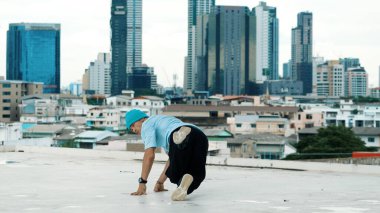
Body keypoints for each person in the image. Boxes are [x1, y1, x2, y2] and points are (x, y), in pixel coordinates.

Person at [125, 109, 209, 201]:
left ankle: (182, 142)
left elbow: (149, 155)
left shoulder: (146, 124)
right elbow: (171, 160)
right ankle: (184, 185)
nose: (133, 129)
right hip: (200, 135)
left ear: (141, 119)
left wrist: (142, 183)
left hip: (177, 133)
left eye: (132, 125)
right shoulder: (164, 121)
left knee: (174, 174)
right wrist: (160, 182)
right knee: (198, 173)